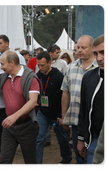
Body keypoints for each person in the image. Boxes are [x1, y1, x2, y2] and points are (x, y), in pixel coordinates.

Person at [0, 50, 40, 164]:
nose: (1, 67)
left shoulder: (30, 78)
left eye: (2, 64)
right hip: (9, 127)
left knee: (30, 161)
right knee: (4, 160)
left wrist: (14, 116)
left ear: (12, 63)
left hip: (27, 126)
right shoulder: (4, 77)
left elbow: (33, 101)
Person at [58, 35, 98, 164]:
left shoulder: (100, 67)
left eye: (83, 47)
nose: (79, 50)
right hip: (76, 119)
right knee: (78, 152)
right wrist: (64, 115)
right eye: (78, 48)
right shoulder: (71, 67)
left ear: (92, 48)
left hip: (96, 120)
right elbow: (65, 92)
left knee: (95, 153)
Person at [35, 51, 72, 165]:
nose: (40, 68)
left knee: (62, 139)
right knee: (39, 138)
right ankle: (36, 164)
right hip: (43, 113)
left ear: (50, 63)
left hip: (57, 114)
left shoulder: (58, 76)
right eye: (39, 65)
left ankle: (67, 158)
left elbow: (64, 96)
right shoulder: (37, 76)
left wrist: (62, 115)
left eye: (43, 65)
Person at [77, 34, 105, 164]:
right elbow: (83, 110)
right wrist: (81, 139)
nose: (99, 58)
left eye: (104, 52)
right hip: (95, 139)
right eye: (96, 53)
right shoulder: (88, 78)